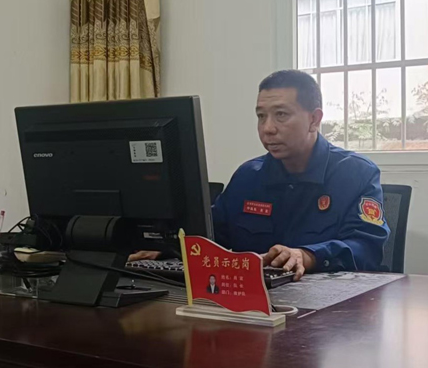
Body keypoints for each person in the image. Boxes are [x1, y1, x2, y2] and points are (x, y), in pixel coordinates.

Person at [130, 70, 390, 281]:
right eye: (261, 116)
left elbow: (366, 248)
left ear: (314, 119)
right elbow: (211, 235)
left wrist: (308, 256)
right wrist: (168, 247)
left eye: (281, 115)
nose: (267, 128)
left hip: (330, 310)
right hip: (254, 305)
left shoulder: (356, 174)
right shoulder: (248, 177)